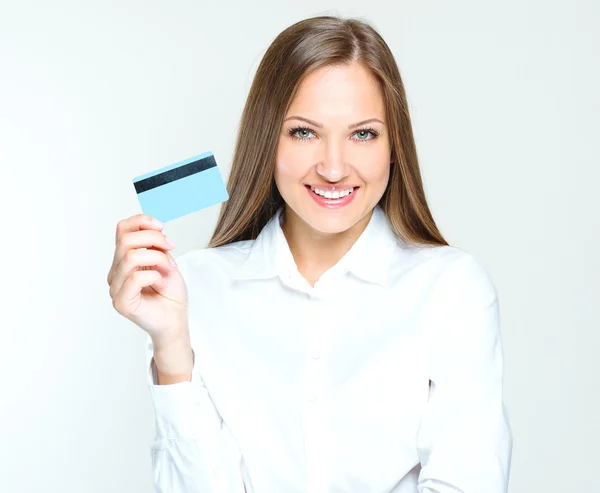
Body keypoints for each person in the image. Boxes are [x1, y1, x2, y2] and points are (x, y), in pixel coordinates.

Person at [107, 15, 512, 493]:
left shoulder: (451, 289)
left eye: (363, 133)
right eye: (304, 133)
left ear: (393, 147)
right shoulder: (193, 286)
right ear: (268, 142)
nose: (334, 167)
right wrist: (171, 348)